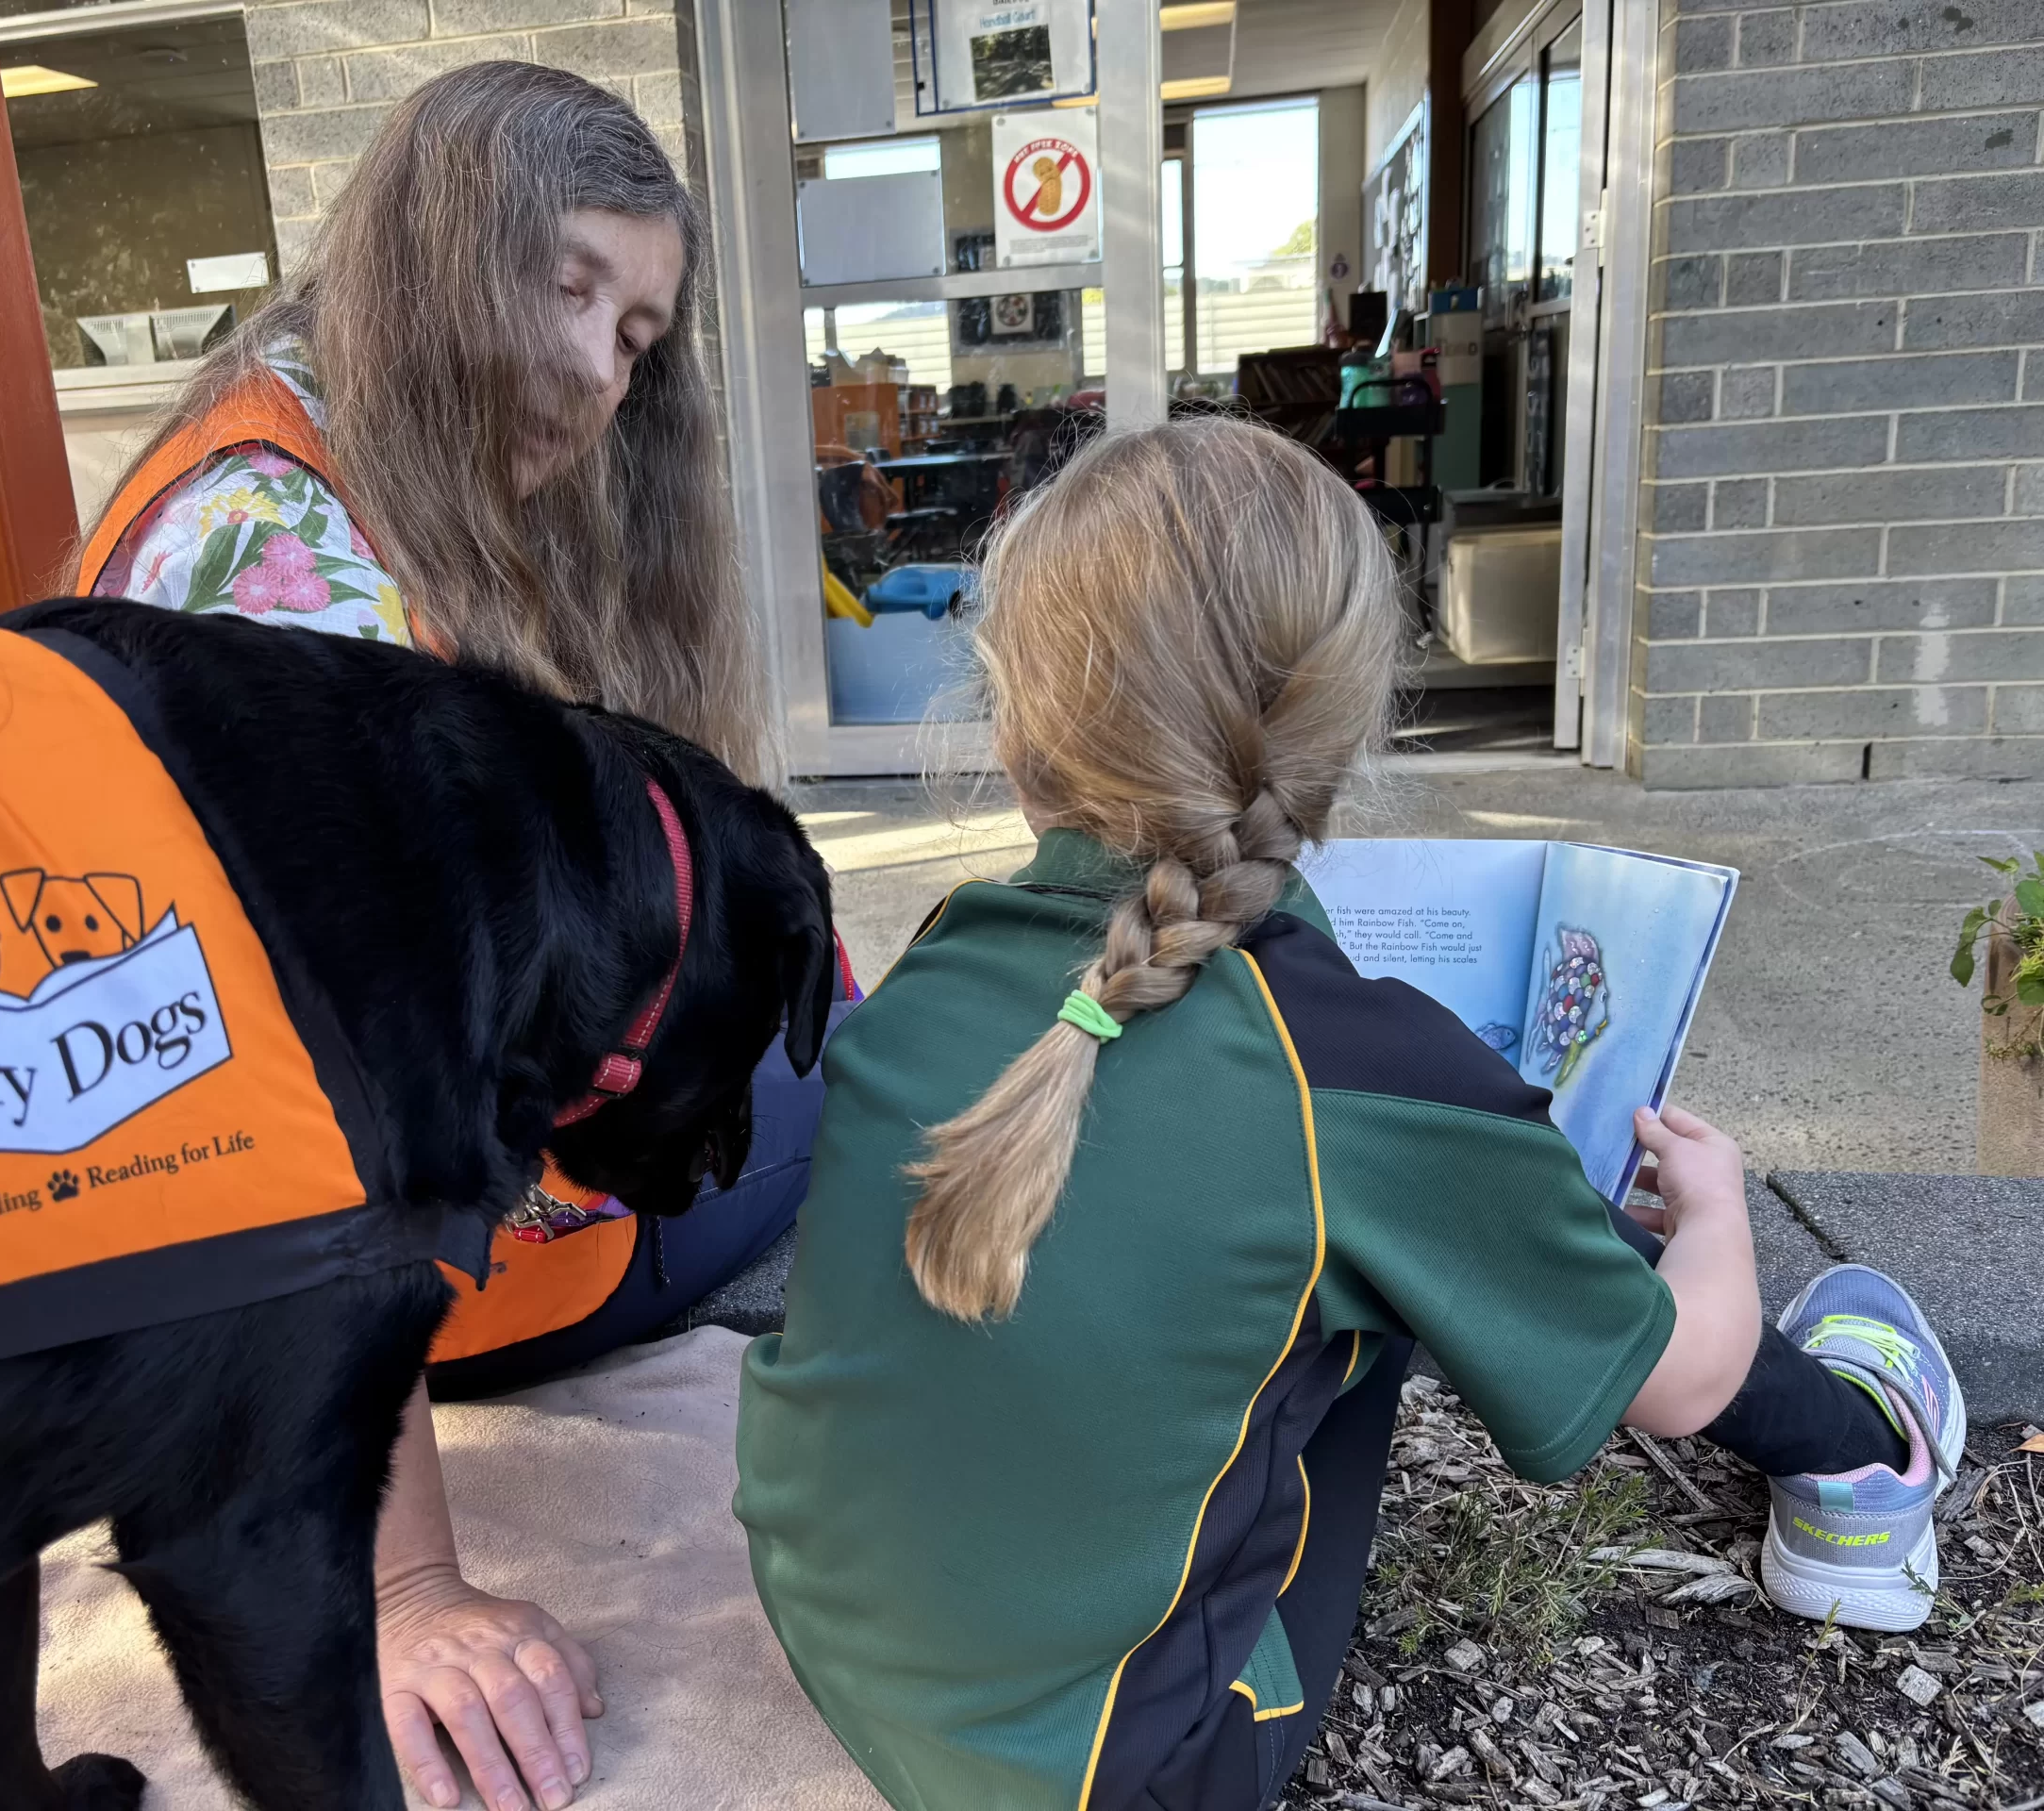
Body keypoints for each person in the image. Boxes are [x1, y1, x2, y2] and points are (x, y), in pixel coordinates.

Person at [734, 418, 1962, 1811]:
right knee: (1364, 1248)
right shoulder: (1354, 1059)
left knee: (1277, 1230)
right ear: (1342, 729)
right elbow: (1678, 1382)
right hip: (1122, 1772)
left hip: (824, 1631)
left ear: (1014, 729)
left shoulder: (946, 950)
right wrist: (1720, 1211)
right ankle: (1868, 1456)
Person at [76, 63, 856, 1811]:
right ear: (440, 252)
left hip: (467, 1231)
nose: (599, 373)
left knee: (819, 1024)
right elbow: (302, 1126)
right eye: (567, 287)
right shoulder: (278, 584)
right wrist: (406, 1588)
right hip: (440, 1290)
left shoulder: (317, 447)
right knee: (832, 1075)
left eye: (640, 332)